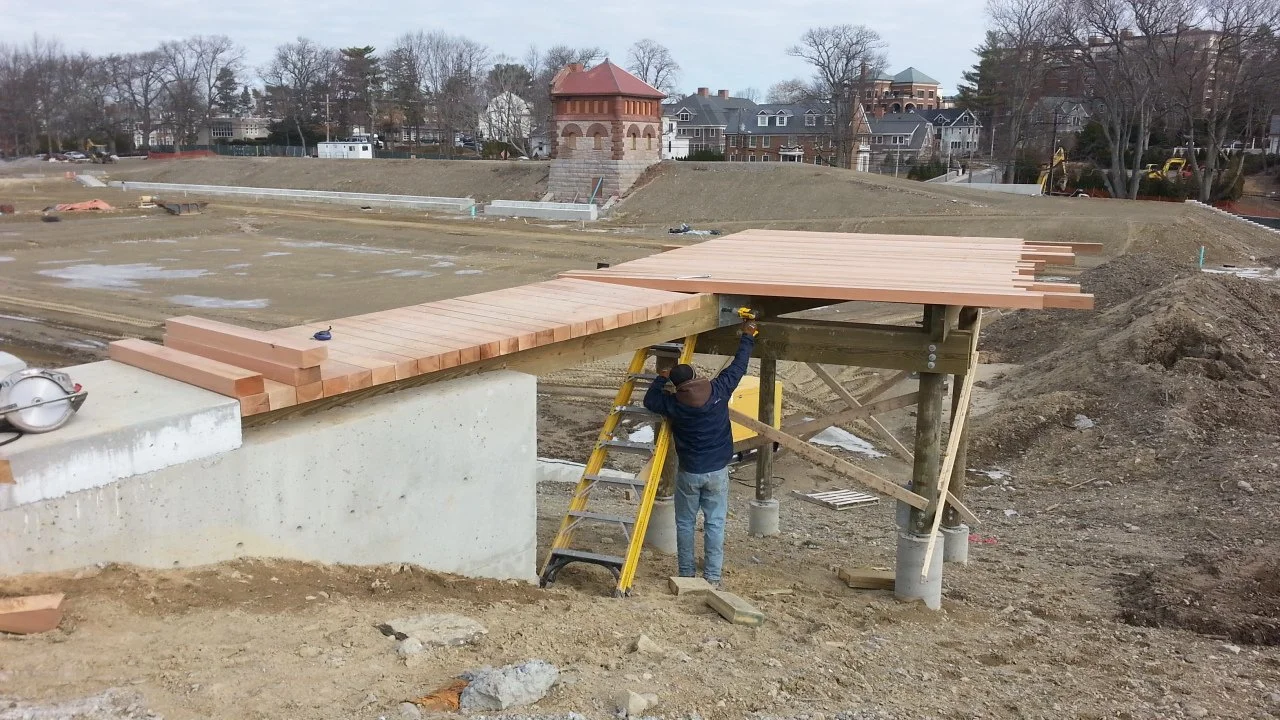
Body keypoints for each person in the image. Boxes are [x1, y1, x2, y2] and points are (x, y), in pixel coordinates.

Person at [643, 320, 758, 586]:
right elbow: (739, 366)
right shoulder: (719, 389)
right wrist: (747, 336)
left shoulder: (674, 405)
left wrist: (659, 380)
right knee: (715, 523)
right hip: (717, 470)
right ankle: (713, 577)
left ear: (677, 386)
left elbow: (650, 402)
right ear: (696, 377)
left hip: (690, 473)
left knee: (684, 523)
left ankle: (686, 575)